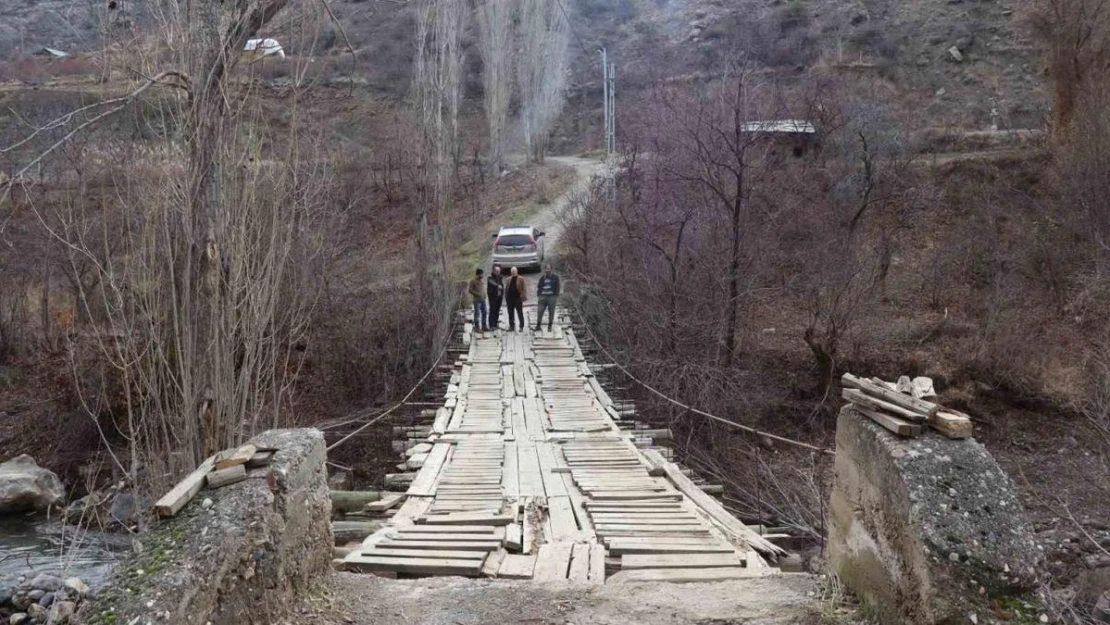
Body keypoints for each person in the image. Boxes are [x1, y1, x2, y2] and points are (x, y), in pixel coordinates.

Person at [534, 263, 561, 332]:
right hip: (543, 297)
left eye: (549, 269)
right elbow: (539, 286)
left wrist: (556, 295)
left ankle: (550, 325)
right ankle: (538, 325)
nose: (548, 270)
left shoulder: (555, 277)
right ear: (545, 269)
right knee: (540, 311)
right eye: (546, 268)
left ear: (551, 269)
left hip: (551, 297)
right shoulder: (542, 278)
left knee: (551, 311)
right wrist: (539, 295)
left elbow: (558, 286)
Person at [504, 266, 526, 331]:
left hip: (517, 298)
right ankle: (511, 326)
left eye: (514, 271)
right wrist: (506, 297)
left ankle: (521, 326)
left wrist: (522, 296)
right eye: (512, 272)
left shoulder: (521, 278)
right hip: (510, 299)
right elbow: (506, 289)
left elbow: (524, 289)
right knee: (510, 313)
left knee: (520, 313)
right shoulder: (508, 279)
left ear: (517, 271)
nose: (513, 273)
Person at [468, 267, 488, 332]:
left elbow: (482, 288)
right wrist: (477, 294)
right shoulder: (473, 281)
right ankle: (477, 327)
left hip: (483, 299)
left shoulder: (481, 280)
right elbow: (470, 290)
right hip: (477, 300)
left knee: (485, 312)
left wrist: (484, 294)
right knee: (477, 313)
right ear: (478, 274)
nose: (482, 275)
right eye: (481, 274)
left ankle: (484, 326)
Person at [487, 265, 504, 331]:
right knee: (492, 311)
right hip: (492, 298)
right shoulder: (490, 278)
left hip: (499, 298)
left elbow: (502, 287)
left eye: (499, 271)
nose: (498, 272)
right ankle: (491, 325)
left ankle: (495, 324)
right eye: (497, 271)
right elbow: (492, 283)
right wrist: (497, 286)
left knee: (497, 311)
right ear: (493, 271)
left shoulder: (500, 278)